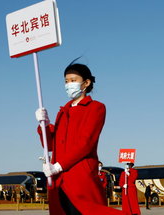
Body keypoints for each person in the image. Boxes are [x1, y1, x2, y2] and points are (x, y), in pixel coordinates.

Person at [36, 62, 124, 215]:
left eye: (73, 80)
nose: (69, 84)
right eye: (66, 81)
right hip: (59, 181)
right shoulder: (63, 112)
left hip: (80, 177)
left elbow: (86, 143)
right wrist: (44, 125)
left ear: (86, 83)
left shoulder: (96, 108)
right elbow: (50, 146)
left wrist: (58, 166)